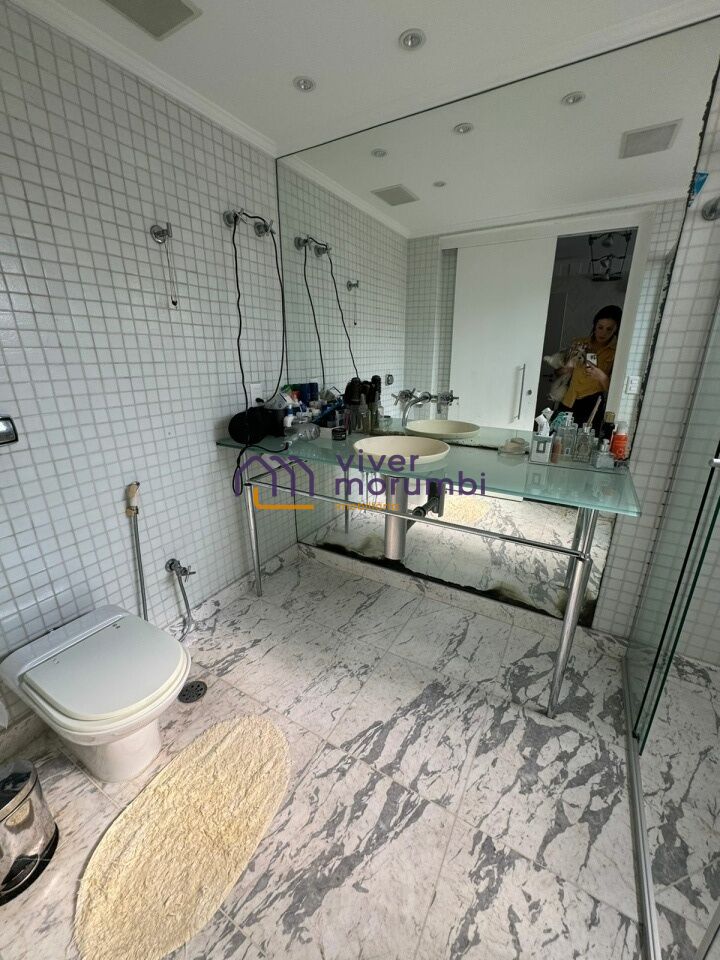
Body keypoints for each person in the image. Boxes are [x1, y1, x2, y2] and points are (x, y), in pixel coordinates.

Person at [556, 304, 621, 431]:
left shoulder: (617, 352)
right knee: (556, 435)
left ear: (616, 329)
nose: (603, 333)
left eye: (609, 329)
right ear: (594, 326)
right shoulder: (579, 343)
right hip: (569, 398)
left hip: (593, 403)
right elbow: (558, 373)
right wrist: (567, 367)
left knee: (585, 438)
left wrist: (601, 376)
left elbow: (616, 391)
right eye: (600, 327)